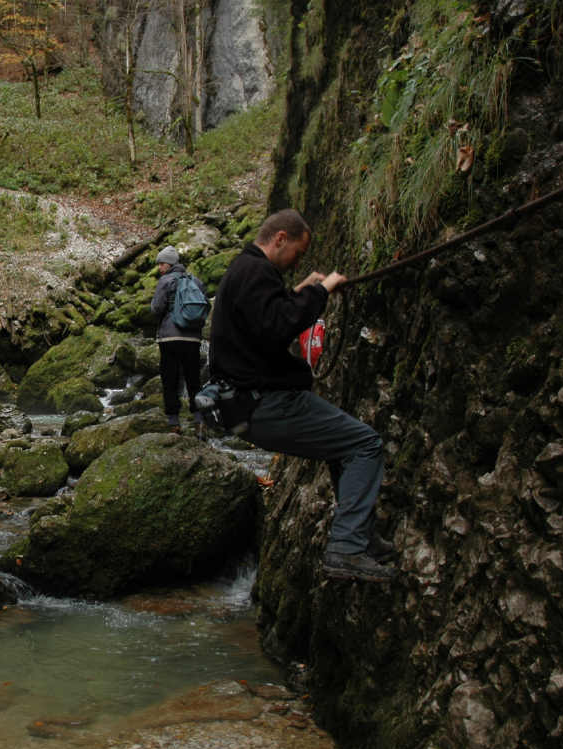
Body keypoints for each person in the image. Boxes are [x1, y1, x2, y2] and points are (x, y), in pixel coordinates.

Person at [208, 210, 397, 582]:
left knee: (340, 449)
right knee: (366, 445)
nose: (298, 261)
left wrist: (296, 292)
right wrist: (320, 291)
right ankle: (347, 547)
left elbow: (261, 320)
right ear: (280, 238)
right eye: (297, 252)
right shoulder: (256, 271)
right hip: (265, 402)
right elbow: (277, 327)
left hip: (243, 406)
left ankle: (362, 537)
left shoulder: (242, 272)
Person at [150, 246, 209, 436]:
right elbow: (206, 306)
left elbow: (157, 309)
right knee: (194, 380)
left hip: (170, 337)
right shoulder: (196, 281)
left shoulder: (166, 281)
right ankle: (199, 421)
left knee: (170, 381)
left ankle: (174, 423)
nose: (159, 267)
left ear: (171, 264)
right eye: (158, 263)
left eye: (162, 263)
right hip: (193, 338)